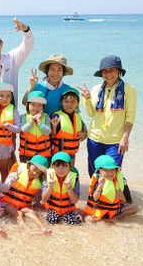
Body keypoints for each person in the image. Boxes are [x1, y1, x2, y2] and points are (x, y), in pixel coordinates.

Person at [77, 55, 136, 203]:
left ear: (119, 71)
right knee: (95, 172)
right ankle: (97, 201)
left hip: (116, 141)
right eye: (105, 71)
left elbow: (130, 117)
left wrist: (125, 137)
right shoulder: (96, 89)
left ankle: (119, 202)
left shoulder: (129, 89)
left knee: (112, 173)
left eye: (112, 70)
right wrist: (87, 99)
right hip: (95, 139)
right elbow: (91, 113)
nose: (108, 74)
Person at [0, 155, 52, 235]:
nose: (34, 173)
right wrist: (11, 180)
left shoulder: (39, 181)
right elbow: (3, 189)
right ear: (28, 164)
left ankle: (43, 227)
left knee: (30, 212)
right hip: (7, 202)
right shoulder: (17, 171)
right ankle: (27, 230)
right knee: (18, 213)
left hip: (23, 205)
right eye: (34, 169)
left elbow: (40, 198)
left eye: (38, 173)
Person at [83, 155, 139, 223]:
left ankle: (117, 217)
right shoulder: (98, 181)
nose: (110, 173)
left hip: (114, 210)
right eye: (105, 170)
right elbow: (94, 198)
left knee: (135, 208)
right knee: (89, 219)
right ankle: (105, 220)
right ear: (99, 171)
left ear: (116, 170)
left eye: (112, 169)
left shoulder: (119, 180)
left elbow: (123, 202)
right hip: (99, 209)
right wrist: (100, 185)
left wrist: (122, 197)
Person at [41, 152, 82, 225]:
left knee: (74, 223)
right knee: (52, 220)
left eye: (64, 166)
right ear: (52, 167)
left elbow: (75, 201)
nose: (61, 170)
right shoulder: (48, 177)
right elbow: (44, 199)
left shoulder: (74, 178)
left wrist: (69, 188)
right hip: (52, 208)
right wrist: (50, 186)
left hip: (68, 209)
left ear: (70, 167)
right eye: (57, 166)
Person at [50, 88, 87, 165]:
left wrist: (83, 134)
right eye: (66, 102)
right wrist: (54, 126)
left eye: (73, 102)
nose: (69, 105)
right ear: (61, 102)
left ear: (77, 103)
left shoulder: (78, 117)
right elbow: (52, 135)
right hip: (59, 155)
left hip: (72, 155)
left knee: (71, 174)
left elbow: (84, 130)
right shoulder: (57, 116)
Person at [19, 91, 52, 163]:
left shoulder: (46, 117)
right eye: (33, 105)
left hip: (44, 154)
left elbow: (47, 132)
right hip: (26, 154)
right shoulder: (23, 117)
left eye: (40, 105)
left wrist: (39, 121)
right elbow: (24, 130)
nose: (36, 108)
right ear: (28, 105)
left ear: (43, 107)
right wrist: (32, 120)